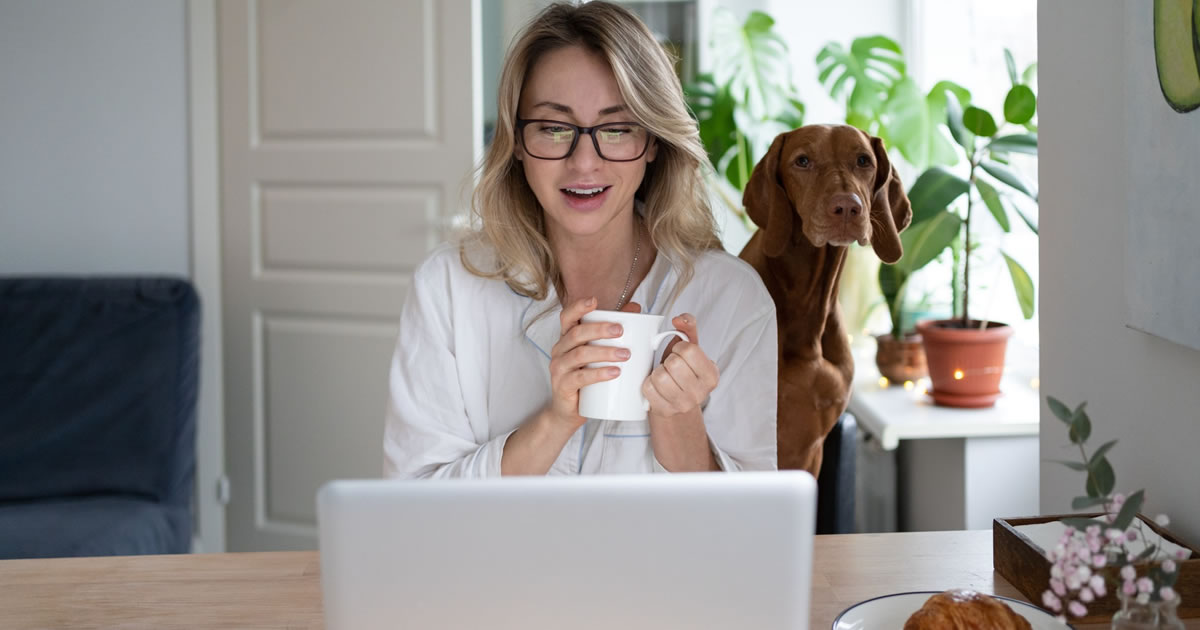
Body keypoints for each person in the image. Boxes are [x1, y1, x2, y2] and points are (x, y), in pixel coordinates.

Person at [383, 1, 776, 477]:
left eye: (616, 129)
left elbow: (748, 533)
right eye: (553, 128)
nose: (584, 163)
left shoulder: (732, 297)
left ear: (652, 141)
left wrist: (681, 426)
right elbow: (415, 514)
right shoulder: (446, 286)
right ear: (516, 142)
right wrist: (554, 422)